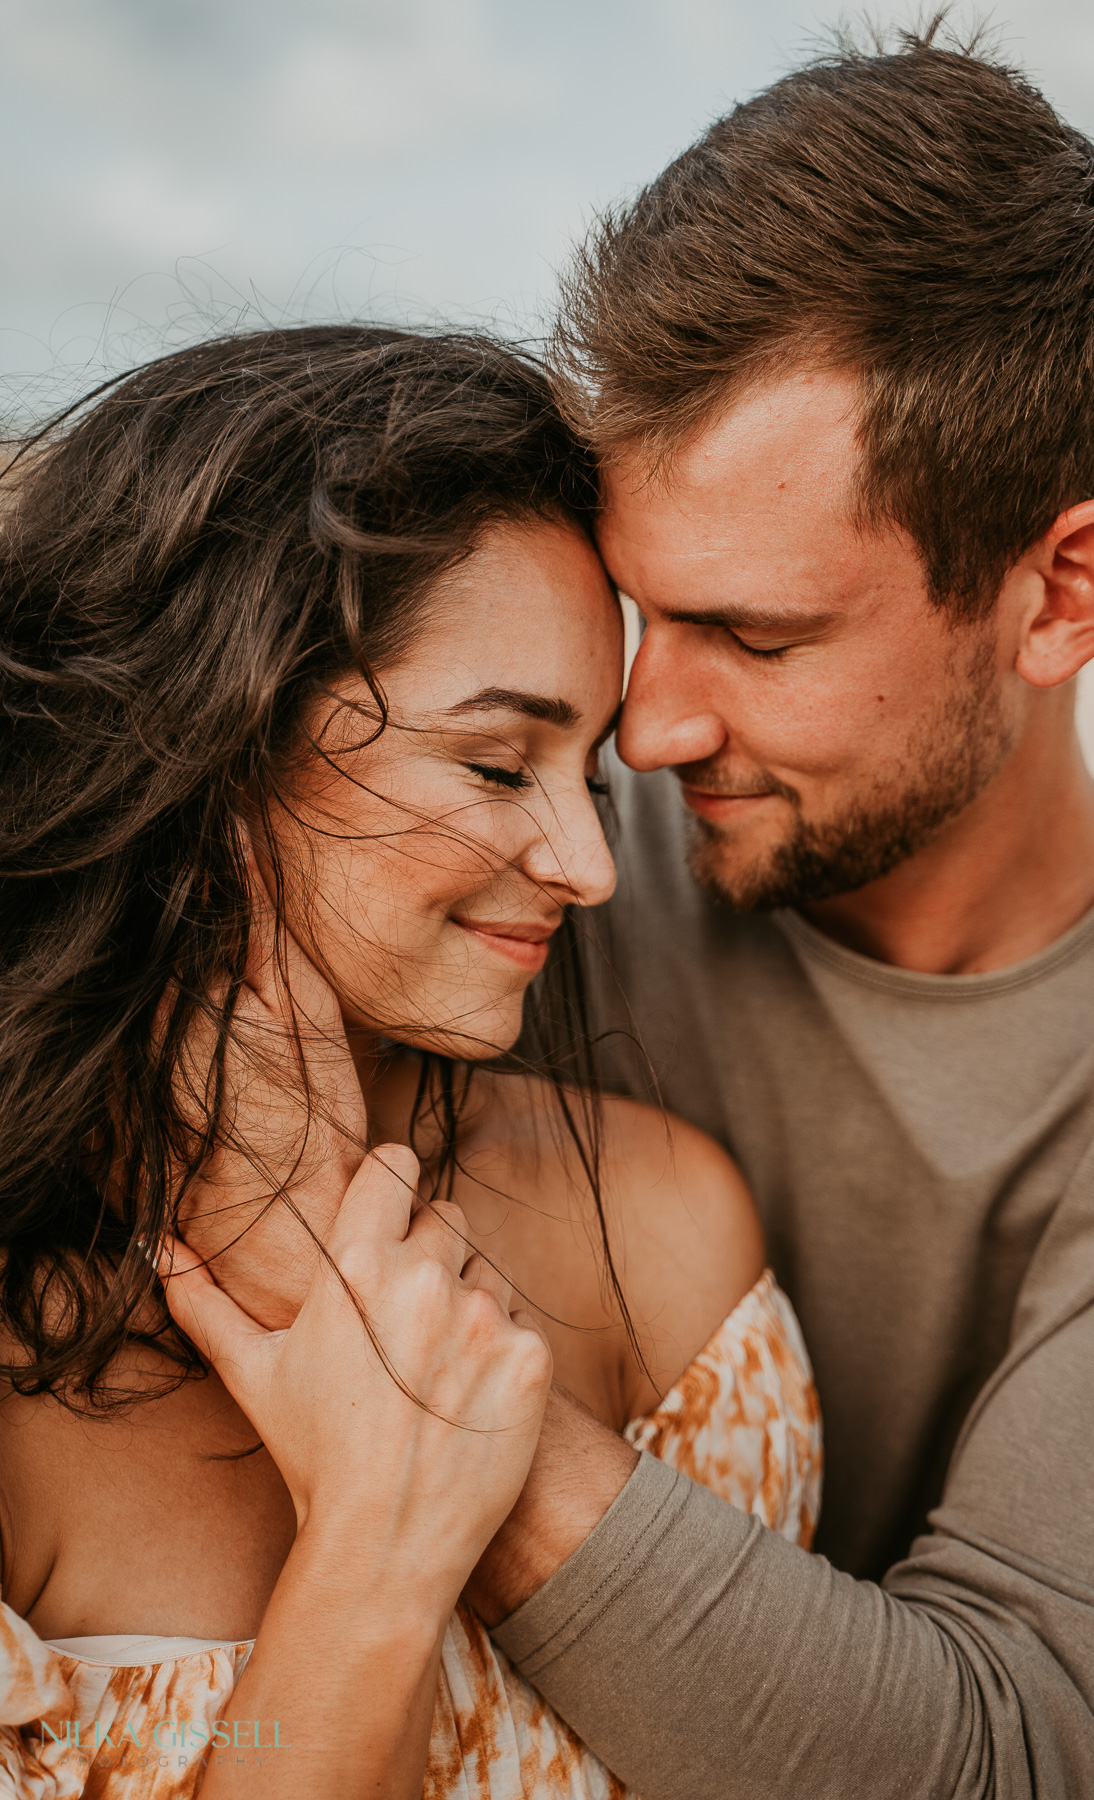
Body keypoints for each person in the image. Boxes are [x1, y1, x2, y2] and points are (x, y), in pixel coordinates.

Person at [460, 28, 1094, 1800]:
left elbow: (1026, 1754)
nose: (647, 731)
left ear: (1063, 595)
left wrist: (437, 1414)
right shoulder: (535, 855)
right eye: (646, 611)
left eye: (762, 638)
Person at [0, 326, 821, 1796]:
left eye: (593, 781)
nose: (588, 867)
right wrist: (385, 1538)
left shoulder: (664, 1237)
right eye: (501, 767)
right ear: (209, 738)